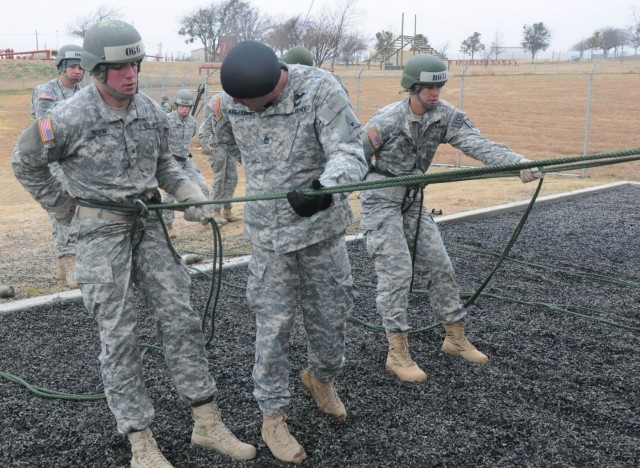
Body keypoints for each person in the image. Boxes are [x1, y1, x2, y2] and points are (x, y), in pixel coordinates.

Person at [12, 20, 256, 467]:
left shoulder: (148, 111)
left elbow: (167, 163)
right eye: (121, 67)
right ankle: (140, 440)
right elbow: (25, 162)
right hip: (101, 236)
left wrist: (190, 196)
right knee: (119, 335)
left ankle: (206, 420)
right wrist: (64, 209)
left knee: (181, 318)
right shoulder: (69, 116)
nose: (132, 75)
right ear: (96, 70)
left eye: (136, 65)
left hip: (149, 228)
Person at [213, 40, 368, 463]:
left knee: (332, 317)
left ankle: (320, 379)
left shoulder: (321, 90)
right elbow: (219, 140)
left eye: (255, 103)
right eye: (240, 103)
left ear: (276, 85)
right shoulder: (228, 101)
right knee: (273, 329)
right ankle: (273, 416)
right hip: (269, 240)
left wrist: (325, 188)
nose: (247, 109)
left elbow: (352, 152)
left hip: (320, 231)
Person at [360, 54, 543, 382]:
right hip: (381, 202)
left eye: (439, 85)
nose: (435, 92)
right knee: (397, 272)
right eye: (429, 87)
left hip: (413, 201)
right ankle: (397, 353)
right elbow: (354, 155)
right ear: (413, 88)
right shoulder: (385, 120)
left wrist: (518, 162)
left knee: (440, 265)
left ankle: (455, 338)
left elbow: (478, 143)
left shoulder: (446, 117)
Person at [30, 43, 85, 289]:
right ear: (62, 66)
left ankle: (64, 268)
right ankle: (69, 260)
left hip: (78, 159)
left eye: (81, 67)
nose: (77, 71)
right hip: (55, 159)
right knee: (64, 207)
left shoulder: (84, 94)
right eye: (73, 66)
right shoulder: (46, 92)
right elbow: (45, 128)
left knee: (79, 208)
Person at [161, 89, 223, 235]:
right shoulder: (167, 120)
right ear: (176, 106)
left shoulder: (192, 122)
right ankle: (168, 226)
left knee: (203, 187)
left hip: (186, 161)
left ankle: (205, 219)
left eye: (187, 107)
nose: (185, 110)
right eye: (182, 106)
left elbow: (192, 135)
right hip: (171, 162)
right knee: (169, 195)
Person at [198, 94, 238, 224]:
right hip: (216, 144)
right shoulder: (216, 100)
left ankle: (227, 210)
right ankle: (215, 211)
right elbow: (206, 122)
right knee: (219, 178)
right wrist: (204, 142)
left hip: (231, 144)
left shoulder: (236, 99)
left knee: (232, 178)